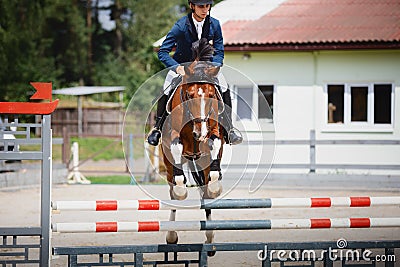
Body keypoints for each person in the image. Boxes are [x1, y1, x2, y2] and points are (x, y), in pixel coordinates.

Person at [147, 0, 242, 146]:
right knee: (166, 87)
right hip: (183, 66)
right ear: (192, 6)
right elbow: (163, 52)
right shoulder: (180, 26)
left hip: (206, 67)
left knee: (224, 86)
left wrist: (214, 66)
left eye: (207, 6)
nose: (204, 10)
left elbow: (219, 51)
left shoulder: (214, 24)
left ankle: (230, 129)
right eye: (201, 6)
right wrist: (177, 67)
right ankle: (157, 128)